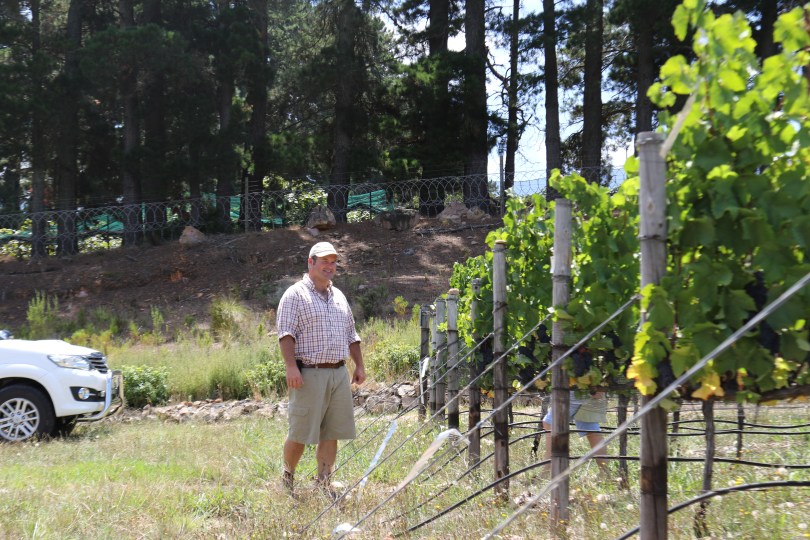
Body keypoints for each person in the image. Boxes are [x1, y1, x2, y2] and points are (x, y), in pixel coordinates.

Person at [276, 241, 366, 495]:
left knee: (332, 430)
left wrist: (358, 364)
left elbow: (351, 333)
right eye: (324, 261)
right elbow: (286, 334)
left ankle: (324, 480)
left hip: (339, 372)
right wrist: (291, 367)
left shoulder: (339, 296)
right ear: (311, 263)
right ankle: (287, 478)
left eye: (333, 261)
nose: (329, 266)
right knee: (301, 430)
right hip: (309, 372)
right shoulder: (295, 295)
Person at [543, 390, 608, 472]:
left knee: (550, 424)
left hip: (576, 390)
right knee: (592, 431)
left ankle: (547, 472)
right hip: (587, 390)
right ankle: (605, 472)